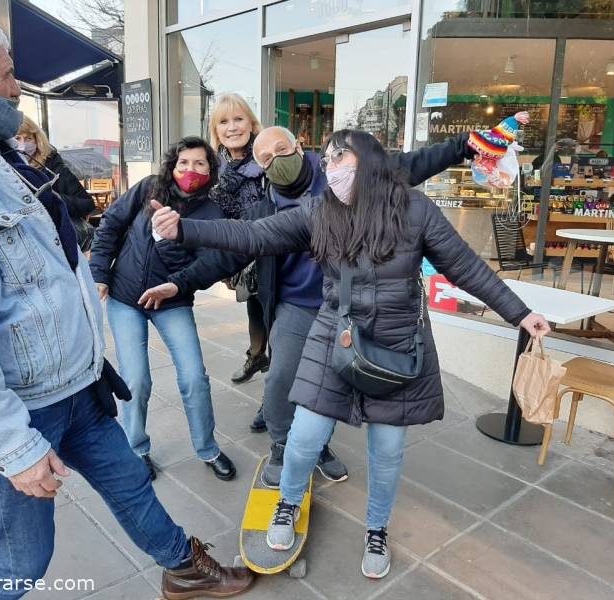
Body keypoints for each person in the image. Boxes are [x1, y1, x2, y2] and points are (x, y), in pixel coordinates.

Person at [0, 5, 253, 599]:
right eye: (8, 72)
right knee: (22, 561)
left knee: (130, 482)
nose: (15, 87)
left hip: (78, 384)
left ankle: (182, 566)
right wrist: (14, 449)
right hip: (25, 410)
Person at [152, 128, 550, 580]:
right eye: (330, 161)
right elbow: (255, 235)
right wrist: (185, 228)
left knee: (387, 449)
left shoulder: (415, 210)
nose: (332, 169)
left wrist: (519, 313)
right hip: (335, 333)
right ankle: (287, 503)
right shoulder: (321, 210)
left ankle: (376, 528)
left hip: (398, 342)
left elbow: (465, 266)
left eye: (342, 159)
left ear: (371, 163)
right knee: (303, 438)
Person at [174, 124, 499, 490]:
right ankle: (282, 445)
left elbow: (412, 164)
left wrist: (465, 145)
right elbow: (238, 245)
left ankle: (319, 447)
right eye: (265, 160)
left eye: (281, 150)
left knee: (330, 387)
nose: (275, 162)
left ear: (298, 142)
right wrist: (182, 282)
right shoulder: (265, 206)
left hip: (349, 307)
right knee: (282, 377)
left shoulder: (342, 172)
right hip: (296, 305)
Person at [89, 137, 244, 482]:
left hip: (171, 301)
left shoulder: (210, 213)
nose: (190, 170)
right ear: (172, 165)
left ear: (211, 169)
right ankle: (136, 448)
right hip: (125, 297)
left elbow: (210, 264)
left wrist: (175, 279)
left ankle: (208, 448)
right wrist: (99, 272)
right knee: (136, 379)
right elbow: (111, 225)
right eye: (183, 162)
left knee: (193, 377)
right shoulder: (147, 189)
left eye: (200, 163)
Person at [207, 94, 269, 432]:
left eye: (238, 119)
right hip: (242, 256)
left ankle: (272, 398)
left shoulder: (266, 155)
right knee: (254, 309)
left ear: (251, 123)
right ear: (216, 130)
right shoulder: (216, 166)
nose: (232, 127)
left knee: (278, 323)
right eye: (224, 121)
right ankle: (255, 355)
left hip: (276, 253)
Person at [15, 116, 96, 251]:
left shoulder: (54, 168)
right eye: (17, 138)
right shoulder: (4, 169)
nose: (23, 144)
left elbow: (87, 204)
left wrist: (56, 198)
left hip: (58, 242)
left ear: (37, 139)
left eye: (28, 138)